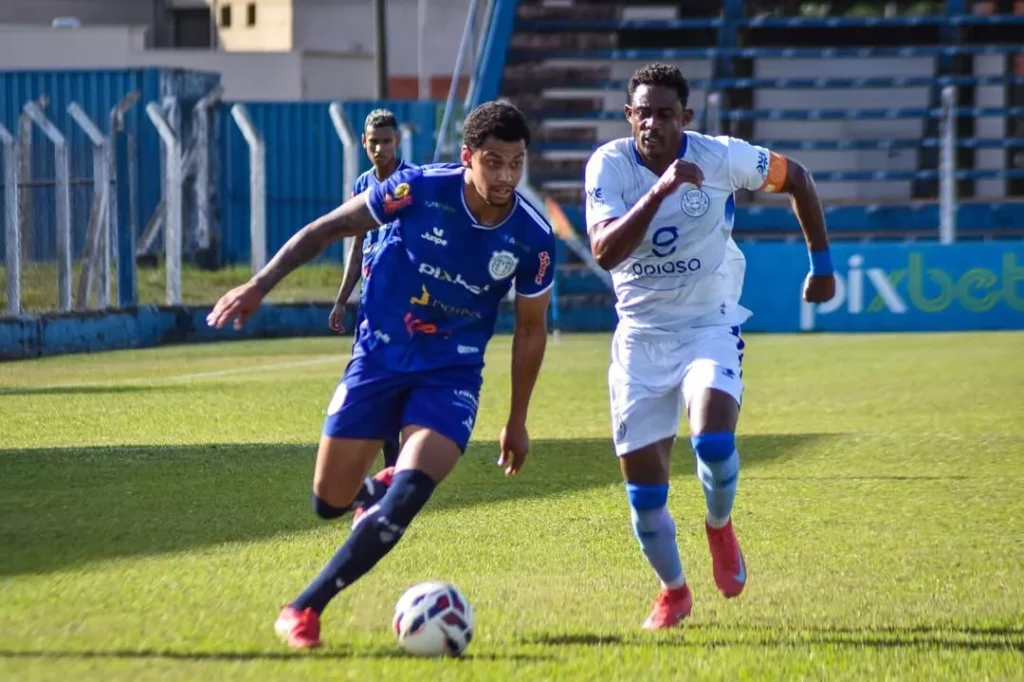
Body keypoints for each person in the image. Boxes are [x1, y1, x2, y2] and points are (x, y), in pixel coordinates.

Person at [206, 101, 556, 649]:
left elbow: (531, 330)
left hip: (452, 374)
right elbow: (326, 229)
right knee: (328, 501)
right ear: (468, 158)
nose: (507, 176)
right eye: (494, 162)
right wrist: (259, 285)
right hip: (378, 358)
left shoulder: (533, 238)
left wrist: (517, 420)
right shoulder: (416, 189)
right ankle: (371, 492)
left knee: (412, 488)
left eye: (517, 163)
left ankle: (303, 608)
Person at [584, 63, 836, 630]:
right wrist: (664, 186)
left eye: (665, 113)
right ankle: (673, 592)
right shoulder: (608, 165)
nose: (652, 122)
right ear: (629, 116)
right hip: (641, 341)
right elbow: (604, 251)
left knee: (714, 442)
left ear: (686, 118)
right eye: (642, 112)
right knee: (645, 500)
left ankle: (719, 526)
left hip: (709, 323)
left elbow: (796, 177)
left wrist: (821, 264)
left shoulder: (721, 155)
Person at [328, 108, 415, 469]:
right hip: (371, 304)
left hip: (408, 302)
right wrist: (341, 299)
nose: (380, 149)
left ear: (397, 142)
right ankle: (391, 465)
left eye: (386, 142)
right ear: (363, 143)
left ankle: (406, 462)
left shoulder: (413, 182)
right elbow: (357, 244)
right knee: (373, 384)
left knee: (404, 384)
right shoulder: (362, 186)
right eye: (374, 142)